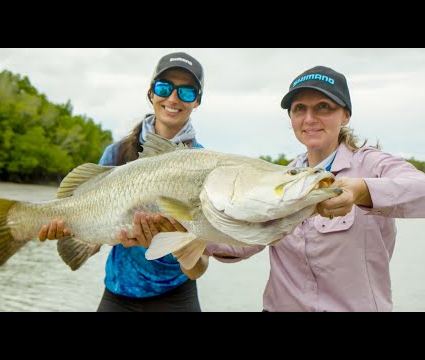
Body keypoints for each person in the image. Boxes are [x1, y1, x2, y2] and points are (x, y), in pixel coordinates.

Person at [140, 65, 425, 312]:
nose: (310, 119)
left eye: (323, 107)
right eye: (300, 109)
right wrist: (180, 229)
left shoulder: (373, 163)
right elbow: (239, 243)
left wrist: (361, 191)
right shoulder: (279, 179)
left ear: (346, 115)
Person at [38, 51, 209, 312]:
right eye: (165, 87)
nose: (173, 98)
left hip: (178, 296)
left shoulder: (205, 163)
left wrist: (174, 244)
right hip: (119, 294)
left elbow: (198, 269)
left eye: (186, 92)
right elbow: (94, 242)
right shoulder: (116, 154)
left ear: (197, 101)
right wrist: (71, 228)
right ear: (151, 93)